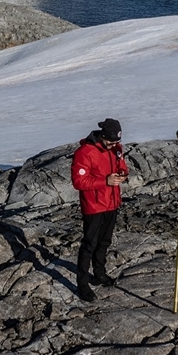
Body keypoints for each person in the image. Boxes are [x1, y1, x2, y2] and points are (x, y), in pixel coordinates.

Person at [71, 118, 128, 301]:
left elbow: (122, 166)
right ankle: (82, 284)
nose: (113, 145)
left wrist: (123, 174)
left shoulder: (116, 149)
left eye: (116, 141)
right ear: (102, 136)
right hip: (94, 206)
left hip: (112, 203)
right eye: (110, 142)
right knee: (89, 244)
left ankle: (99, 273)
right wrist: (105, 181)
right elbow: (78, 181)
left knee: (104, 242)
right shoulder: (85, 152)